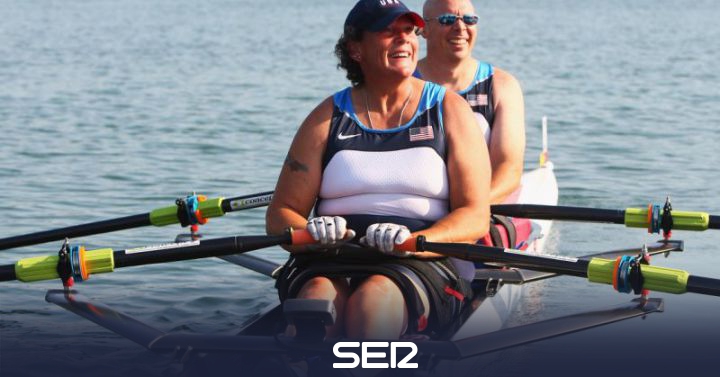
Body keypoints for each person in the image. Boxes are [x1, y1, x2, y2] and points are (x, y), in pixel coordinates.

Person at [266, 0, 491, 340]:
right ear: (356, 49)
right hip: (330, 257)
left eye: (409, 31)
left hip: (419, 259)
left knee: (372, 305)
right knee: (317, 301)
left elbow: (475, 216)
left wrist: (413, 242)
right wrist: (310, 233)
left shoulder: (449, 110)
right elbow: (280, 215)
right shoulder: (326, 117)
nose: (404, 40)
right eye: (389, 32)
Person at [417, 0, 525, 205]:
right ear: (424, 29)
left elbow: (508, 170)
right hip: (418, 207)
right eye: (447, 20)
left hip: (480, 206)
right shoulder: (402, 83)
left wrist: (467, 210)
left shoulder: (502, 86)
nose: (460, 28)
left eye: (469, 20)